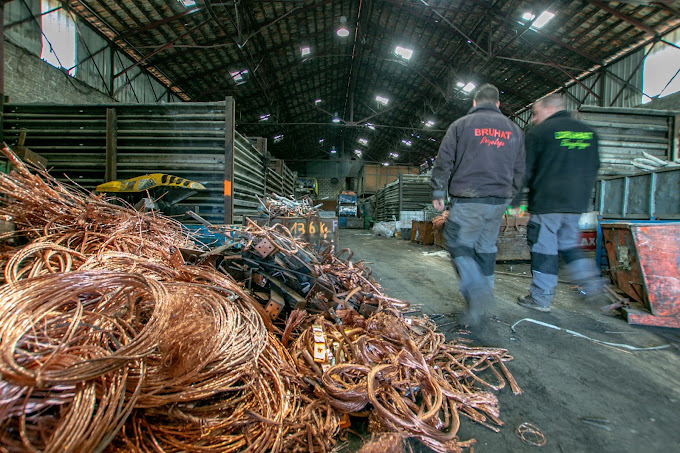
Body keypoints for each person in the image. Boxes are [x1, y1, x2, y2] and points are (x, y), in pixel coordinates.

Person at [430, 83, 525, 325]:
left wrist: (438, 190)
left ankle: (478, 292)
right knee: (486, 248)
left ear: (474, 102)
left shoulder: (461, 125)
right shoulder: (514, 129)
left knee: (457, 242)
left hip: (471, 198)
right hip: (499, 202)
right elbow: (520, 168)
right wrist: (516, 200)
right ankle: (483, 300)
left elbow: (444, 160)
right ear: (498, 104)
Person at [516, 93, 603, 313]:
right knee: (569, 246)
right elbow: (595, 166)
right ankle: (592, 285)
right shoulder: (589, 133)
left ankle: (540, 298)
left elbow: (524, 170)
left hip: (547, 203)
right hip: (576, 204)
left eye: (535, 114)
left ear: (548, 109)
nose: (534, 119)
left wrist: (516, 199)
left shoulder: (539, 133)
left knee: (544, 250)